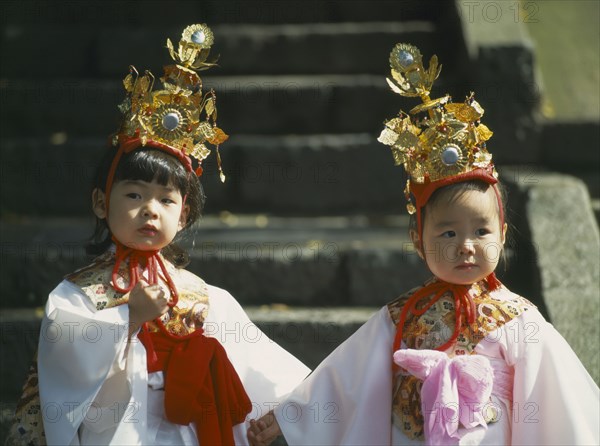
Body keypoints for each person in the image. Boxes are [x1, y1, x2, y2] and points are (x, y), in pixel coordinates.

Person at [247, 43, 600, 445]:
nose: (465, 245)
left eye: (481, 231)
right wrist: (292, 415)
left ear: (502, 235)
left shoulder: (518, 321)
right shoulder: (401, 317)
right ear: (418, 241)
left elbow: (558, 399)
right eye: (447, 233)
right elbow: (344, 376)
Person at [6, 24, 309, 446]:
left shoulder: (203, 296)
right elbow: (64, 361)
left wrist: (283, 412)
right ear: (100, 203)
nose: (150, 209)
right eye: (134, 194)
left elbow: (261, 362)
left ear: (183, 217)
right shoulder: (76, 294)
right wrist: (127, 319)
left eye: (167, 200)